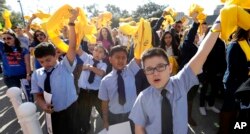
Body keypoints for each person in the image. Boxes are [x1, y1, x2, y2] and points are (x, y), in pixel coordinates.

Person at [129, 16, 221, 133]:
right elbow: (139, 127)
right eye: (149, 69)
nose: (155, 73)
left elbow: (202, 53)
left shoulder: (181, 82)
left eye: (160, 67)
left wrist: (219, 22)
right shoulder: (143, 98)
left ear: (170, 67)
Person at [30, 9, 79, 134]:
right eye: (41, 62)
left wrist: (72, 23)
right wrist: (42, 105)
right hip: (52, 112)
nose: (45, 64)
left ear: (55, 55)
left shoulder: (65, 66)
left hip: (70, 109)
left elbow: (72, 47)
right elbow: (38, 94)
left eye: (48, 60)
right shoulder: (37, 74)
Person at [98, 45, 141, 131]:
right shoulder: (105, 81)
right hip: (114, 116)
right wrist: (105, 120)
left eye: (123, 58)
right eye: (117, 57)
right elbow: (104, 103)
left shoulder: (131, 69)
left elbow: (139, 54)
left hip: (132, 113)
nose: (120, 60)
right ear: (110, 59)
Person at [218, 27, 250, 134]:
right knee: (228, 110)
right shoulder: (234, 45)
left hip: (242, 84)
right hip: (233, 84)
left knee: (236, 111)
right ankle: (223, 131)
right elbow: (232, 67)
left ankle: (232, 129)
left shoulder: (246, 44)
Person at [77, 44, 107, 133]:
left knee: (102, 110)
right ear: (92, 51)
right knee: (84, 113)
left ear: (104, 56)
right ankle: (85, 129)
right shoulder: (87, 58)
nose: (97, 53)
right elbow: (78, 49)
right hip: (84, 92)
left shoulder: (103, 64)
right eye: (96, 50)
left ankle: (110, 126)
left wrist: (90, 67)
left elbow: (101, 73)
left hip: (96, 92)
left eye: (100, 52)